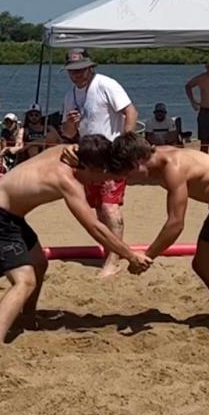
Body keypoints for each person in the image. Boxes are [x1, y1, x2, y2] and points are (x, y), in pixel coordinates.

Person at [0, 135, 153, 344]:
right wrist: (130, 255)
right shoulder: (66, 179)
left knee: (39, 263)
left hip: (12, 217)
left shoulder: (68, 151)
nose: (97, 182)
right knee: (25, 281)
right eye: (98, 177)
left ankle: (27, 318)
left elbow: (77, 146)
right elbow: (95, 228)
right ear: (88, 167)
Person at [112, 133, 209, 348]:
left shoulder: (173, 167)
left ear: (137, 163)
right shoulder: (156, 159)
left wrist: (147, 256)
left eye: (127, 173)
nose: (127, 179)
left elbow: (175, 224)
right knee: (202, 264)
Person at [61, 48, 138, 277]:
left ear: (90, 67)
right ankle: (110, 251)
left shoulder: (106, 84)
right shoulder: (70, 95)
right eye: (72, 71)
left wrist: (125, 143)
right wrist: (72, 123)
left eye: (80, 70)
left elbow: (130, 112)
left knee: (109, 207)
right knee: (98, 209)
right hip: (87, 157)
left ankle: (113, 260)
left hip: (110, 154)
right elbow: (67, 132)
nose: (76, 75)